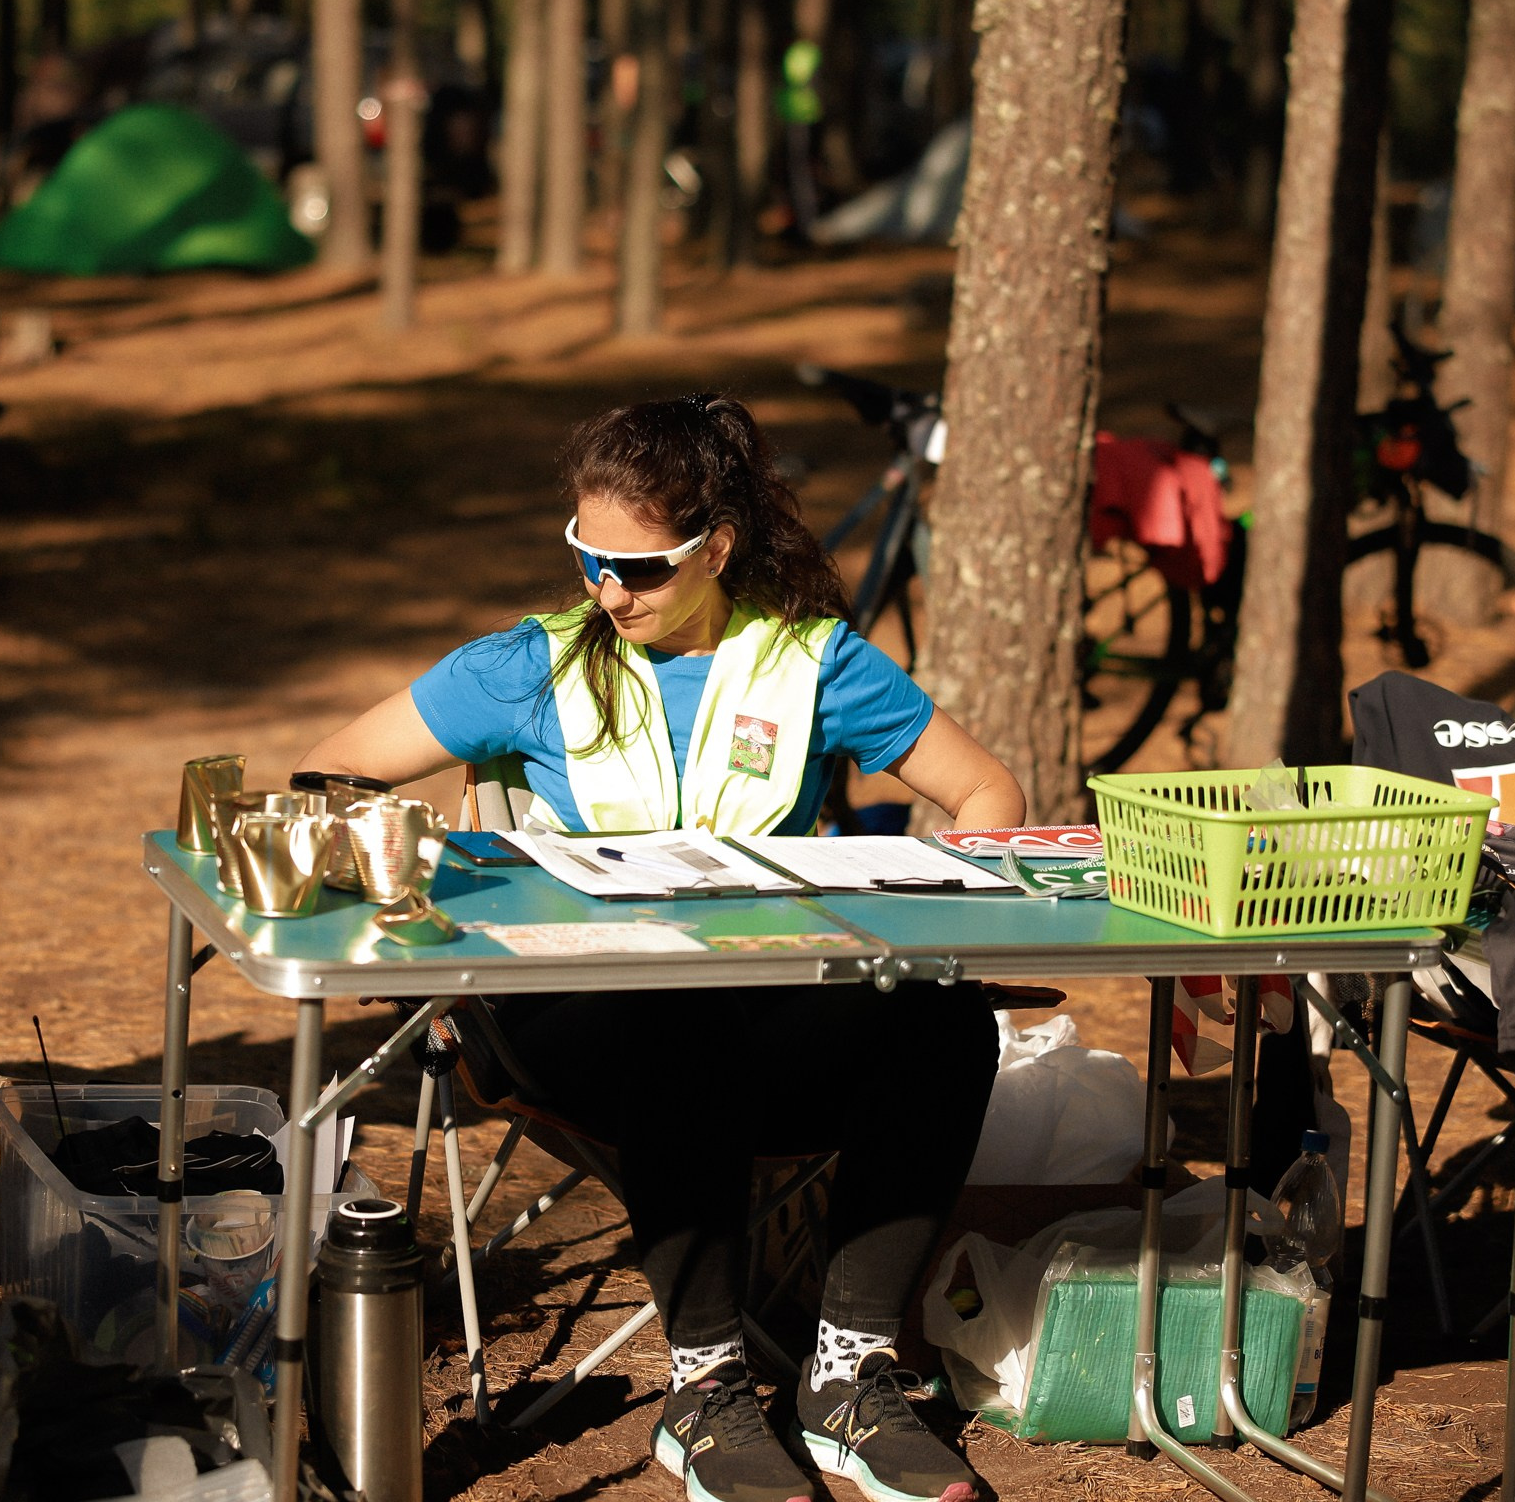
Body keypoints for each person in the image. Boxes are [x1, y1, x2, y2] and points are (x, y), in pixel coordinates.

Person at [298, 394, 1023, 1502]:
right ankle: (706, 1389)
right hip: (565, 1022)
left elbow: (985, 791)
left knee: (942, 1015)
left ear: (716, 549)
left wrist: (939, 900)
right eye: (587, 558)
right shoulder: (528, 665)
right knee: (679, 1012)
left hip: (761, 1017)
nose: (607, 590)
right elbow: (327, 778)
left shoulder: (811, 662)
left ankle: (850, 1377)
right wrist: (447, 866)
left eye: (639, 568)